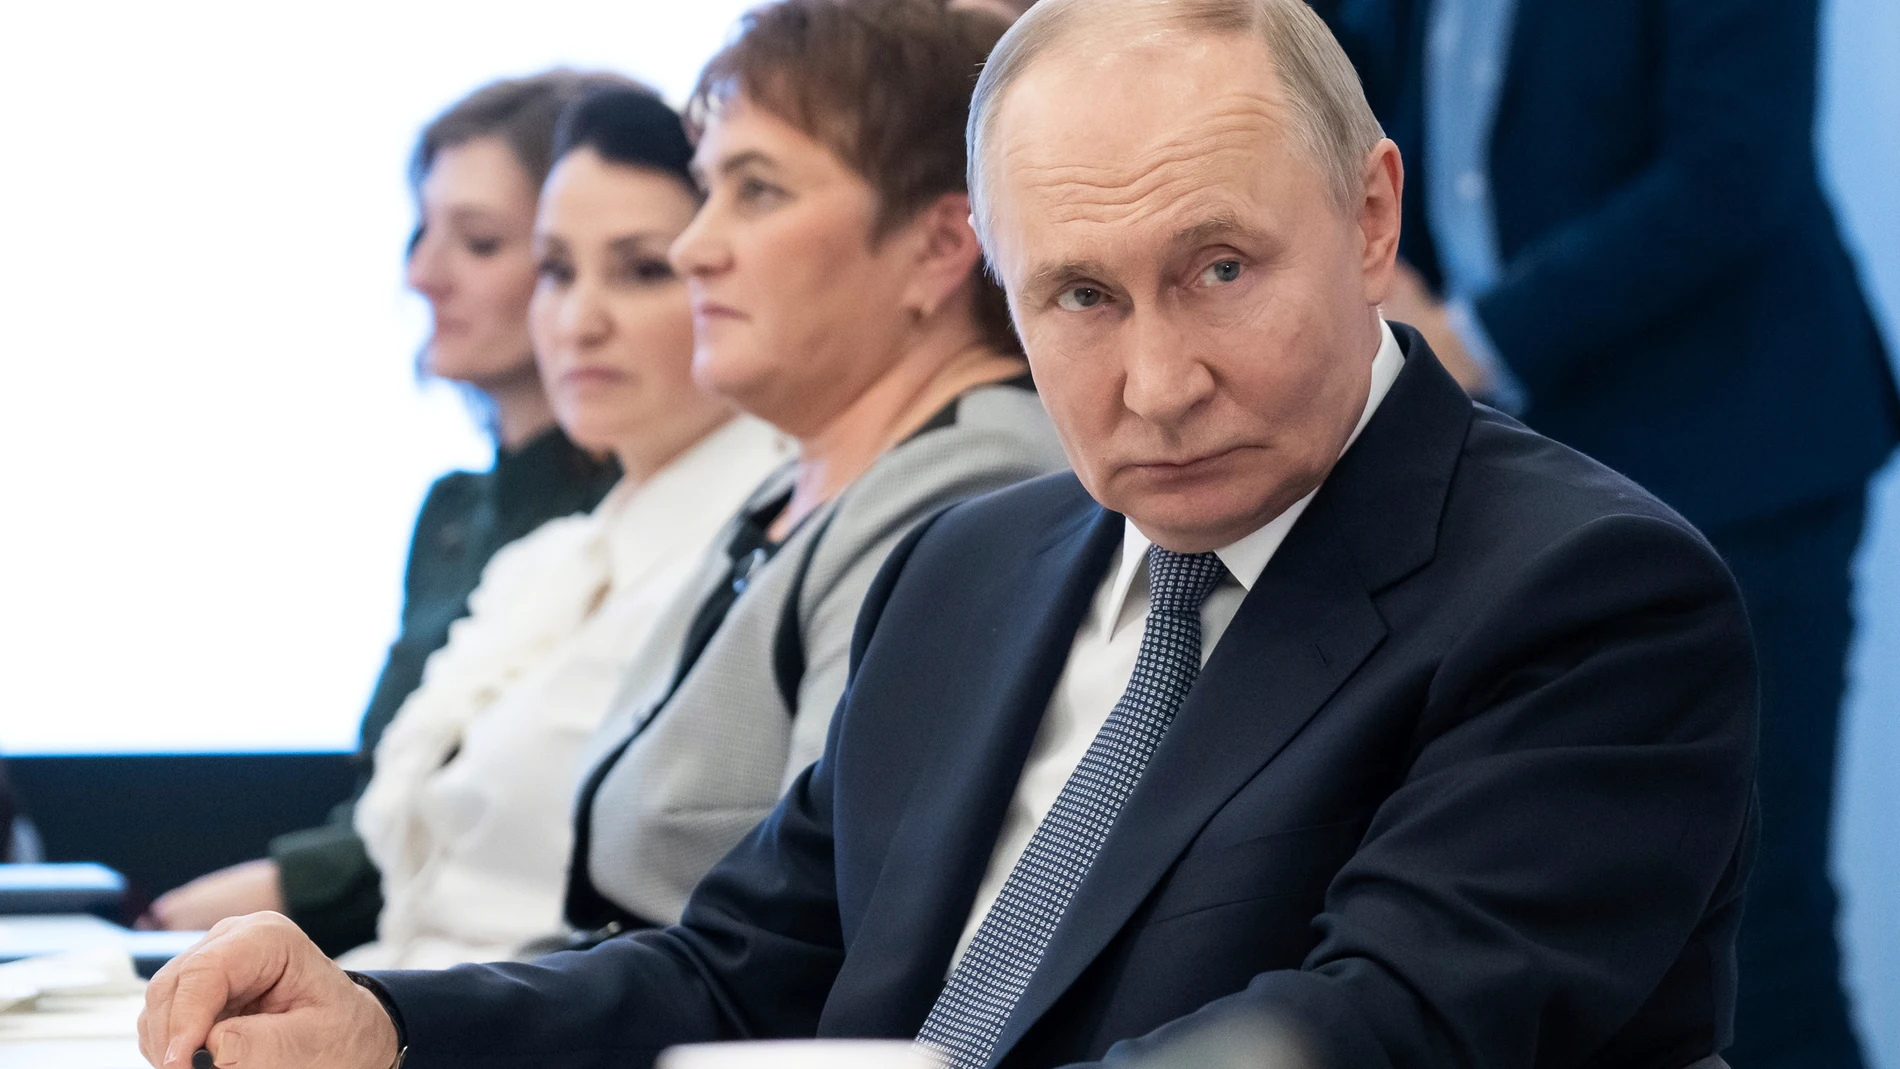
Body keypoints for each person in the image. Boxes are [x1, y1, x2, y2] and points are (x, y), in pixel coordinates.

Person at [138, 2, 1757, 1068]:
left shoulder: (1583, 592)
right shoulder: (977, 564)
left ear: (1371, 215)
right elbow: (736, 977)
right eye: (1078, 295)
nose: (1158, 381)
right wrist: (389, 1026)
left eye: (1220, 269)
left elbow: (1378, 1031)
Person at [1310, 0, 1900, 1062]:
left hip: (1736, 454)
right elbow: (1323, 75)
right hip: (1505, 469)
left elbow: (1731, 168)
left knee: (1753, 929)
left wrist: (1476, 335)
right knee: (1538, 913)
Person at [141, 71, 630, 949]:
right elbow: (393, 794)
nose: (421, 275)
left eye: (478, 243)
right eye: (421, 232)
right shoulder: (452, 511)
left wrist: (281, 889)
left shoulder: (634, 518)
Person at [336, 87, 793, 970]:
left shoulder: (772, 537)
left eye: (642, 270)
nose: (580, 320)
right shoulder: (543, 564)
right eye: (555, 269)